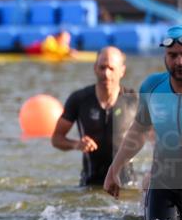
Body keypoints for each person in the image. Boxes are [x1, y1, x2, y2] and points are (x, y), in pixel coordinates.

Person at [104, 25, 182, 220]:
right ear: (164, 56)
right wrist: (114, 168)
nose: (179, 62)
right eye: (173, 55)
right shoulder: (152, 87)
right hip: (163, 184)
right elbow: (138, 131)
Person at [51, 46, 138, 186]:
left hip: (125, 186)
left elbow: (160, 138)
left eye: (111, 68)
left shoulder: (134, 101)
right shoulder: (79, 99)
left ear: (122, 71)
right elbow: (56, 139)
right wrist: (76, 144)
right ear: (95, 68)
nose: (106, 74)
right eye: (102, 67)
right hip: (89, 185)